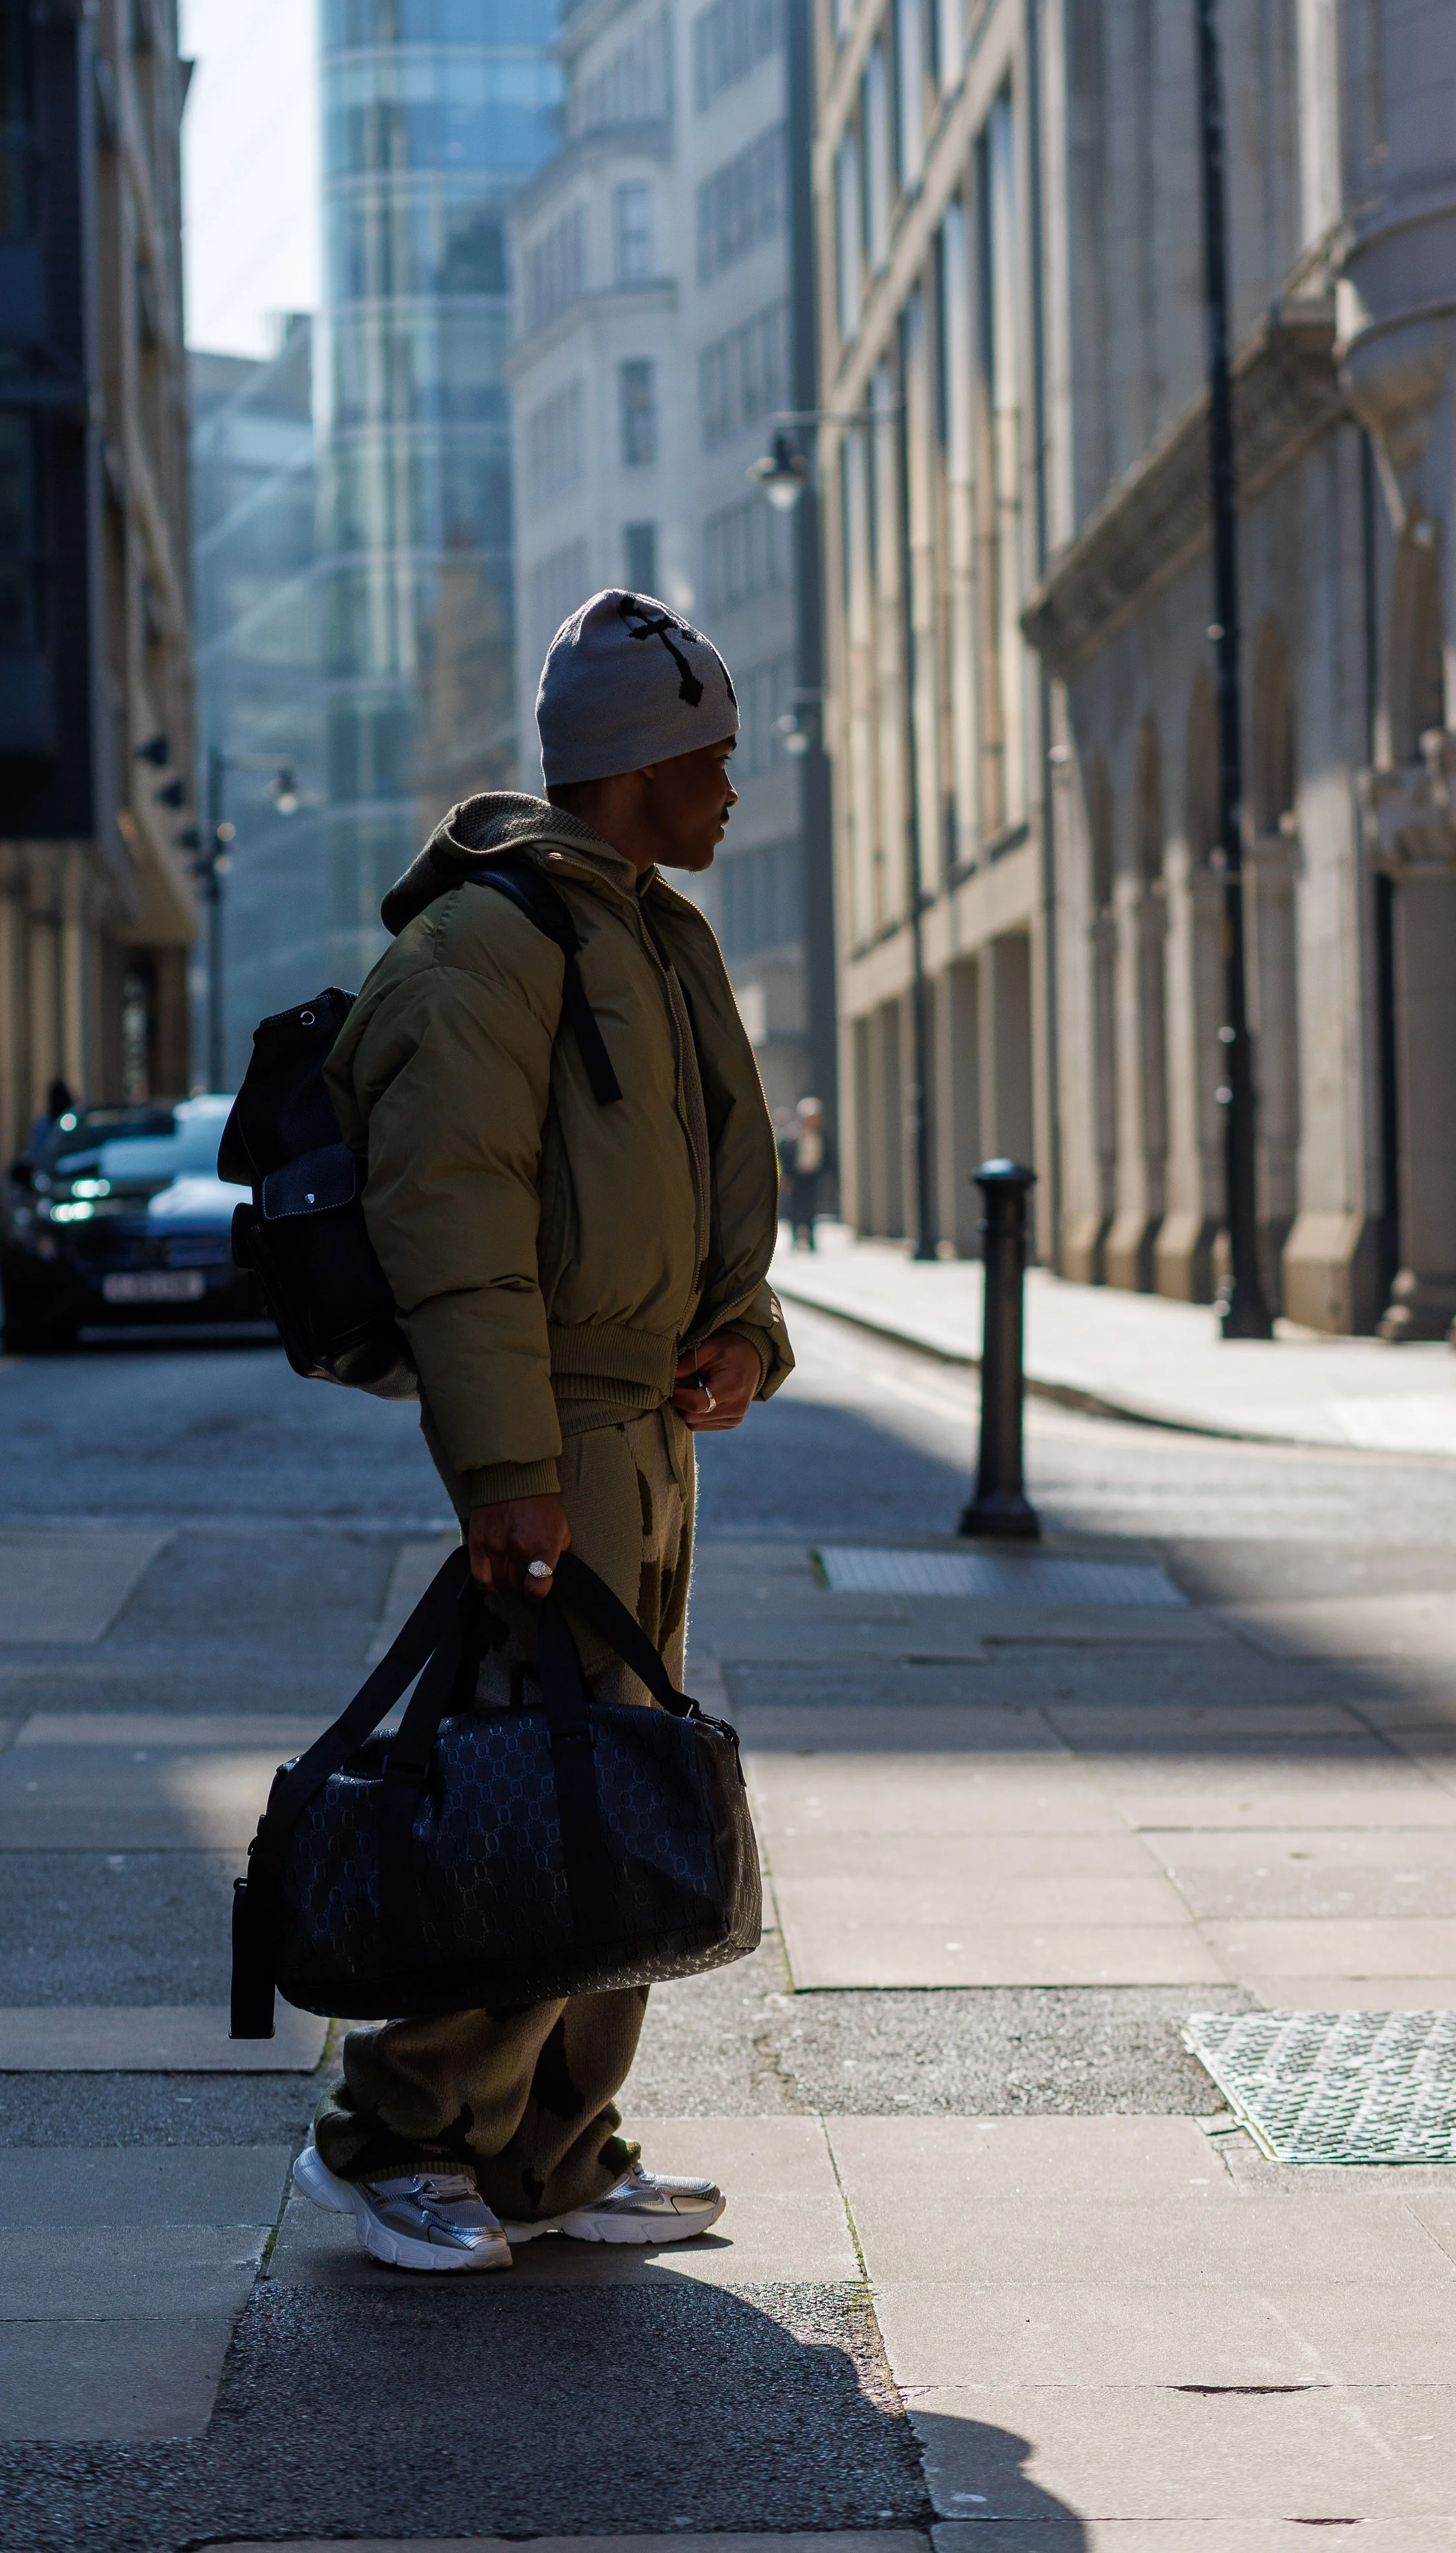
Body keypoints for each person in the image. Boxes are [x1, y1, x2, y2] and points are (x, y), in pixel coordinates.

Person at [291, 586, 793, 2275]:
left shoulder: (659, 934)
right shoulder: (482, 949)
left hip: (649, 1420)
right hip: (561, 1434)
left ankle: (551, 2149)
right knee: (525, 1790)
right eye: (712, 756)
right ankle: (392, 2134)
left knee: (613, 1782)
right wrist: (505, 1465)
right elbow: (454, 1219)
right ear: (638, 764)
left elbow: (717, 1170)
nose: (735, 784)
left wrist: (744, 1331)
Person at [779, 1094, 828, 1250]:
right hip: (797, 1177)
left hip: (813, 1176)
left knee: (812, 1207)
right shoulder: (793, 1136)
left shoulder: (823, 1136)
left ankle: (811, 1238)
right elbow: (785, 1155)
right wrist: (786, 1176)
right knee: (795, 1207)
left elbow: (828, 1156)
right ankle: (796, 1237)